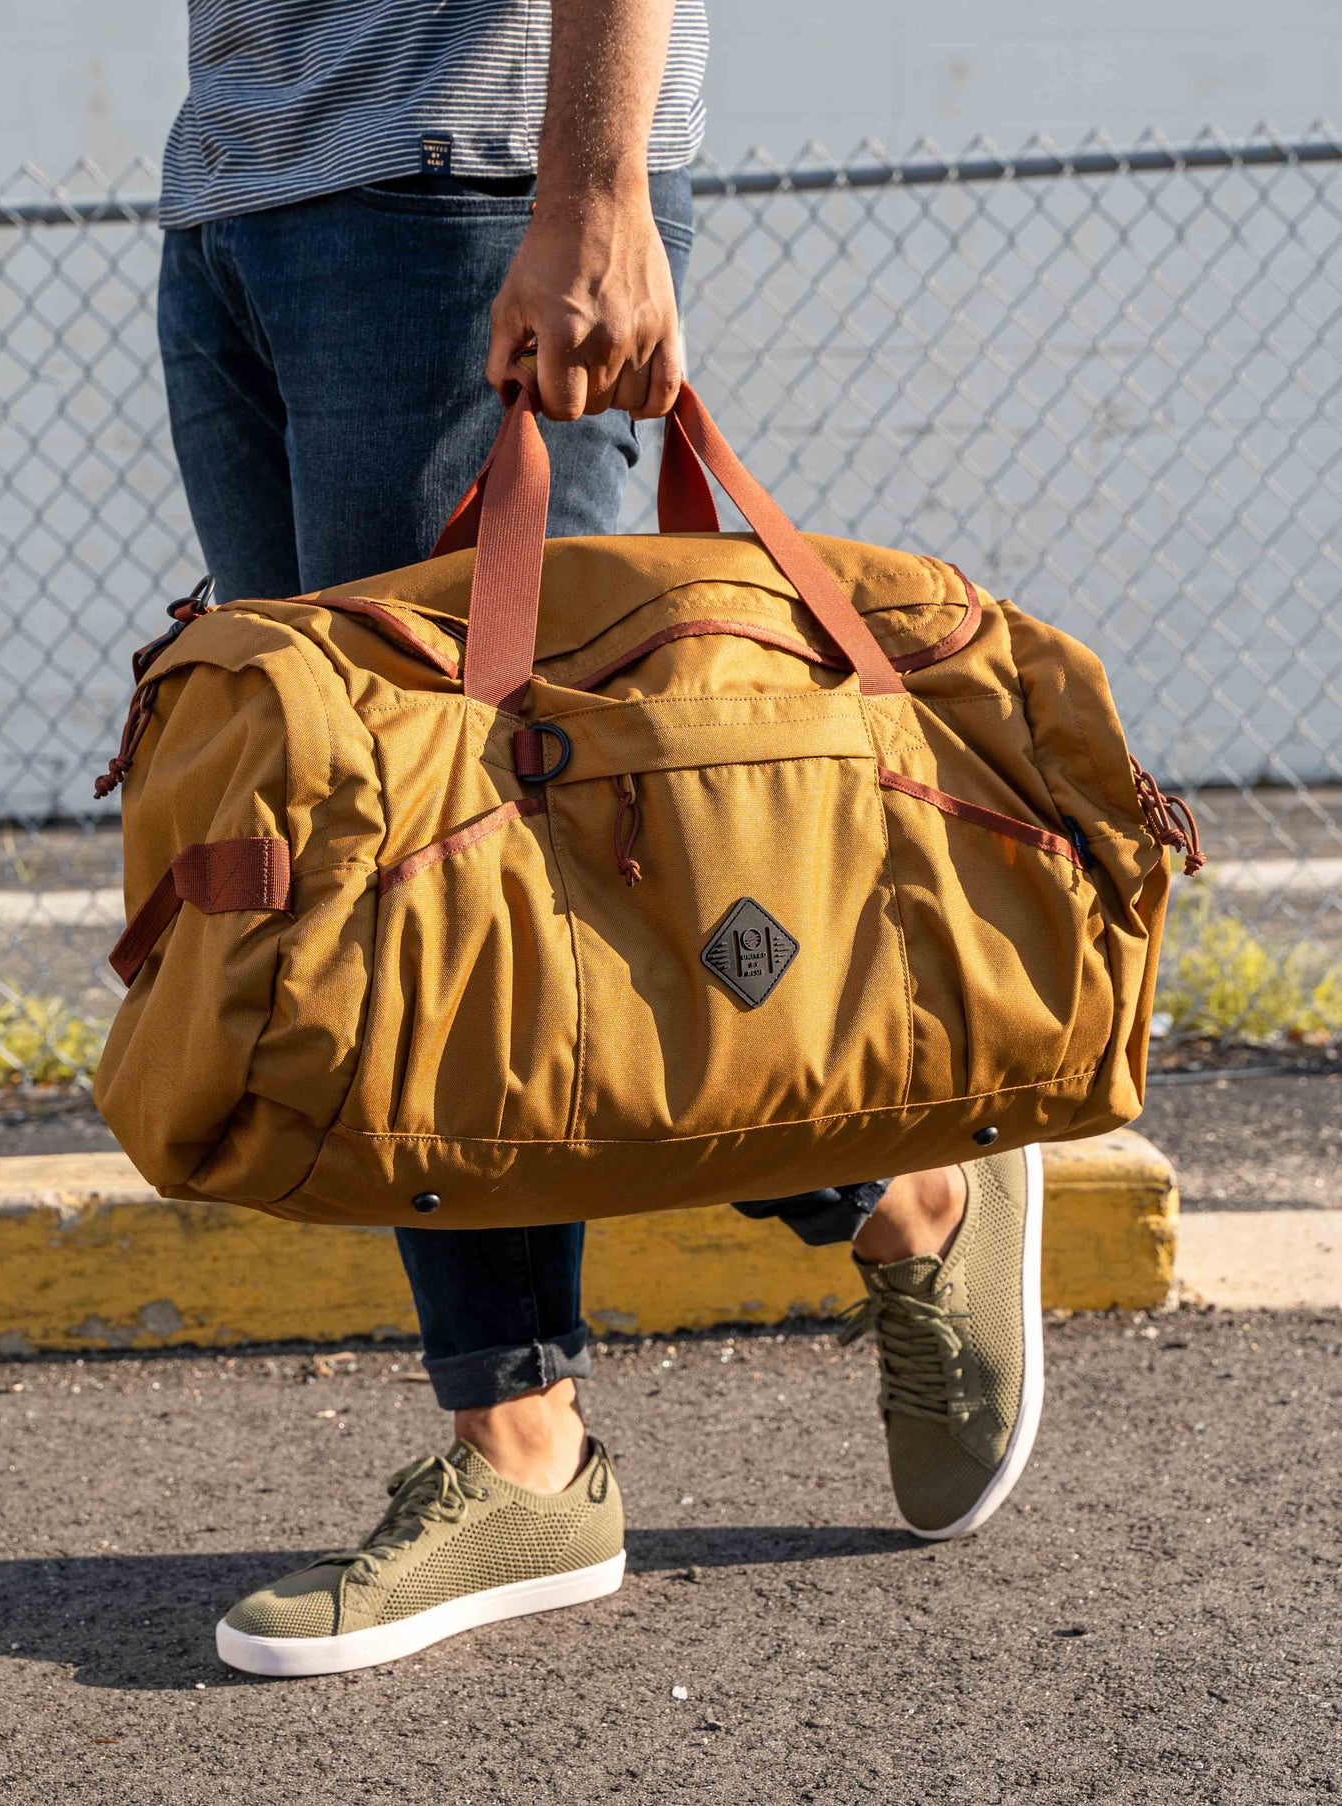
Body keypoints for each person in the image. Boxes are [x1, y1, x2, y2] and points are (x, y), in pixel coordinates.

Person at [154, 0, 1045, 1680]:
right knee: (373, 874)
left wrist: (597, 190)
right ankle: (854, 1204)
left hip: (460, 186)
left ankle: (557, 1425)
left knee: (504, 844)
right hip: (237, 194)